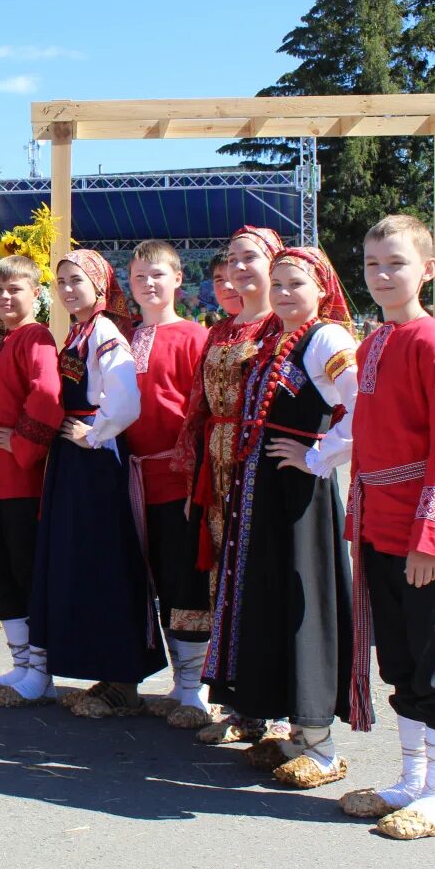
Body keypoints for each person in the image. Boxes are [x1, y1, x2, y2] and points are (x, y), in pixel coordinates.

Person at [338, 214, 435, 840]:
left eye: (394, 263)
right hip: (378, 529)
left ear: (426, 269)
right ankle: (413, 779)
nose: (381, 275)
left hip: (421, 537)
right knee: (399, 658)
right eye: (371, 265)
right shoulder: (374, 343)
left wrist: (433, 541)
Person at [208, 246, 358, 789]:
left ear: (321, 289)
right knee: (270, 598)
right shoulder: (275, 340)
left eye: (297, 283)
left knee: (302, 600)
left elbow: (361, 406)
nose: (287, 293)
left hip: (298, 496)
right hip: (262, 494)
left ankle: (321, 745)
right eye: (280, 284)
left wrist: (315, 456)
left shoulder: (328, 339)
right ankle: (292, 730)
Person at [0, 249, 164, 714]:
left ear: (99, 286)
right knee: (84, 560)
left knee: (105, 560)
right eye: (62, 282)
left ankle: (123, 680)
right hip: (76, 460)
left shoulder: (106, 331)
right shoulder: (80, 331)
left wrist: (96, 434)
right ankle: (107, 674)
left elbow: (126, 398)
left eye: (77, 281)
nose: (68, 289)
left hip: (95, 462)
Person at [174, 226, 286, 748]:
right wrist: (191, 456)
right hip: (216, 471)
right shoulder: (222, 330)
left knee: (263, 581)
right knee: (224, 583)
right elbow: (198, 402)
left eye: (251, 259)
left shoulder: (284, 328)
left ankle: (278, 705)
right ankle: (238, 703)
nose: (240, 269)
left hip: (257, 469)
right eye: (233, 260)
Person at [124, 240, 212, 728]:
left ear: (179, 279)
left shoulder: (195, 337)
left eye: (158, 275)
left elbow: (199, 413)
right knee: (152, 578)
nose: (149, 284)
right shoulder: (125, 338)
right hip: (135, 479)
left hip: (178, 481)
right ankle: (172, 678)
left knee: (185, 580)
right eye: (140, 277)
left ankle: (191, 685)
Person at [0, 253, 61, 700]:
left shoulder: (35, 337)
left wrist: (20, 442)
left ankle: (40, 672)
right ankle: (22, 664)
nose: (5, 297)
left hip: (21, 480)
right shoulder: (6, 342)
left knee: (25, 571)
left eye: (15, 289)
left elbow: (47, 393)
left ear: (36, 295)